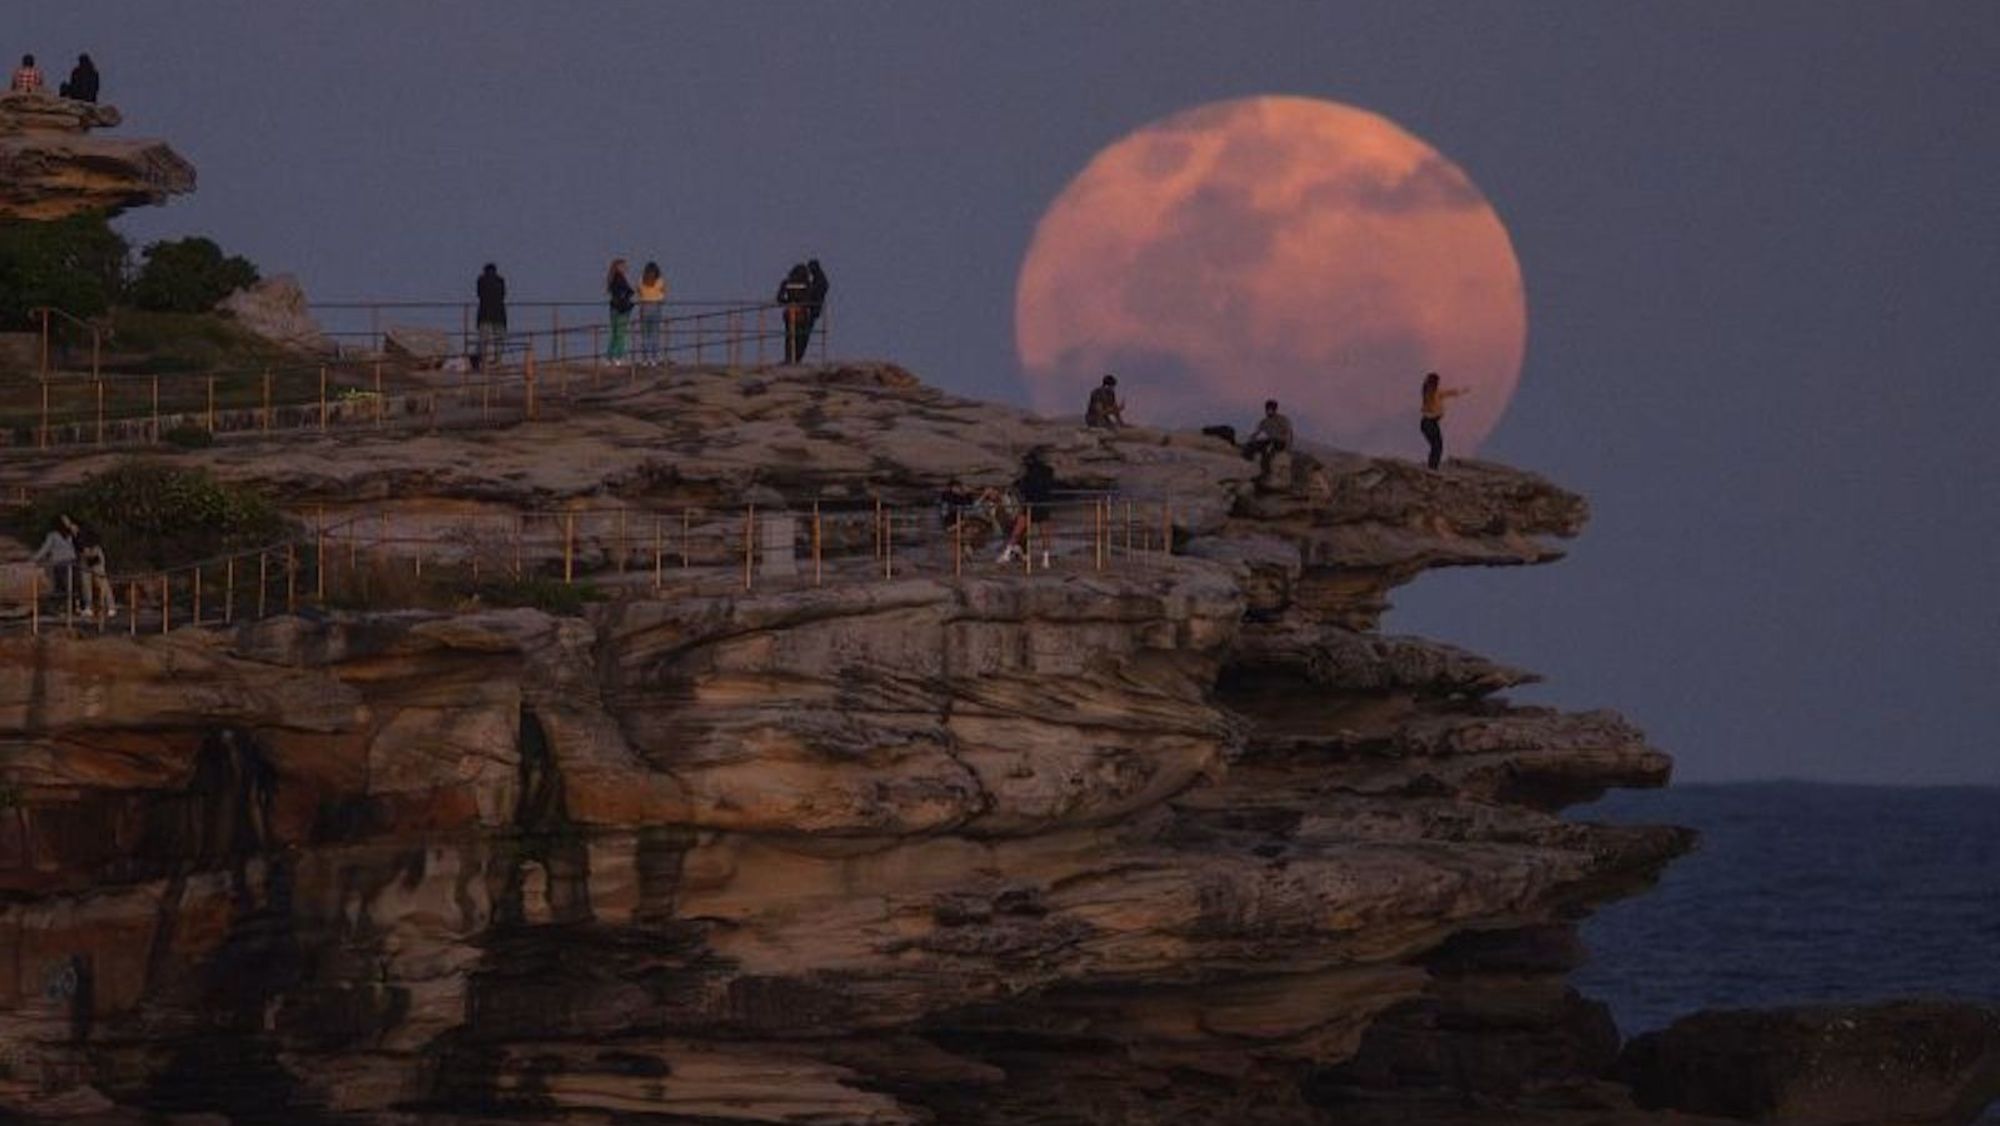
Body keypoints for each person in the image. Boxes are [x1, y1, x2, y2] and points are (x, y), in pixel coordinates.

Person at [997, 449, 1056, 564]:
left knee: (1018, 530)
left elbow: (1024, 488)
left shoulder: (1029, 474)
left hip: (1030, 504)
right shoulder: (1048, 472)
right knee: (1044, 533)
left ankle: (1007, 553)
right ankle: (1046, 559)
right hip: (1043, 503)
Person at [1420, 371, 1471, 470]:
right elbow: (1449, 393)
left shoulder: (1429, 392)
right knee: (1437, 446)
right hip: (1430, 423)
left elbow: (1448, 393)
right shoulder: (1433, 393)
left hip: (1428, 423)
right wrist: (1463, 391)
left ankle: (1432, 467)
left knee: (1436, 446)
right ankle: (1432, 468)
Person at [28, 515, 76, 610]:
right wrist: (34, 559)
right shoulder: (54, 535)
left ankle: (68, 606)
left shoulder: (71, 534)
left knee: (65, 586)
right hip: (60, 564)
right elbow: (45, 549)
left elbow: (44, 549)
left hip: (69, 563)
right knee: (62, 586)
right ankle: (63, 606)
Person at [72, 521, 114, 618]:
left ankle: (110, 606)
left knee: (102, 581)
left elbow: (94, 542)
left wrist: (90, 551)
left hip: (93, 553)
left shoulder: (86, 531)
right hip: (83, 556)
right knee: (85, 582)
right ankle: (88, 607)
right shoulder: (73, 537)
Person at [1241, 399, 1293, 476]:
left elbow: (1289, 433)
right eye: (1267, 409)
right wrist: (1250, 440)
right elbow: (1257, 433)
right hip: (1270, 440)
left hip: (1280, 441)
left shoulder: (1282, 419)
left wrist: (1287, 447)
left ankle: (1267, 471)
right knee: (1254, 446)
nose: (1269, 411)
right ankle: (1249, 463)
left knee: (1269, 449)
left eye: (1271, 409)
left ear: (1275, 410)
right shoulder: (1264, 421)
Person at [775, 262, 812, 363]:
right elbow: (809, 299)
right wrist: (801, 305)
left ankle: (789, 358)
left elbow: (779, 298)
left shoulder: (786, 282)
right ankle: (797, 358)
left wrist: (789, 303)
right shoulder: (807, 283)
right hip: (802, 314)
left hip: (789, 312)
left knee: (789, 336)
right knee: (802, 337)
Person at [474, 263, 507, 371]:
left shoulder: (481, 280)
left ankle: (483, 362)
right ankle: (498, 360)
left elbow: (479, 294)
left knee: (484, 339)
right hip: (499, 314)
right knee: (499, 338)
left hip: (484, 314)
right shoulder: (500, 281)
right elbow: (503, 294)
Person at [637, 261, 668, 367]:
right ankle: (654, 359)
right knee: (655, 333)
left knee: (645, 334)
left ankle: (645, 359)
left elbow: (639, 292)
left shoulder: (641, 280)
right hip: (656, 306)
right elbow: (664, 292)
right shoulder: (659, 281)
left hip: (644, 306)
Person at [605, 258, 634, 366]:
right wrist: (629, 294)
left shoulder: (612, 278)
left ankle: (609, 357)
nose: (626, 268)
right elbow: (629, 291)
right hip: (622, 309)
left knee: (614, 333)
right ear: (618, 267)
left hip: (613, 308)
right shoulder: (620, 278)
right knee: (621, 334)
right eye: (624, 266)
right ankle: (617, 357)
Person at [800, 258, 831, 360]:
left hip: (813, 309)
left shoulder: (820, 280)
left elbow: (815, 292)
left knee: (804, 334)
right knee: (803, 333)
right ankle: (798, 355)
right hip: (813, 308)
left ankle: (798, 355)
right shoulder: (818, 279)